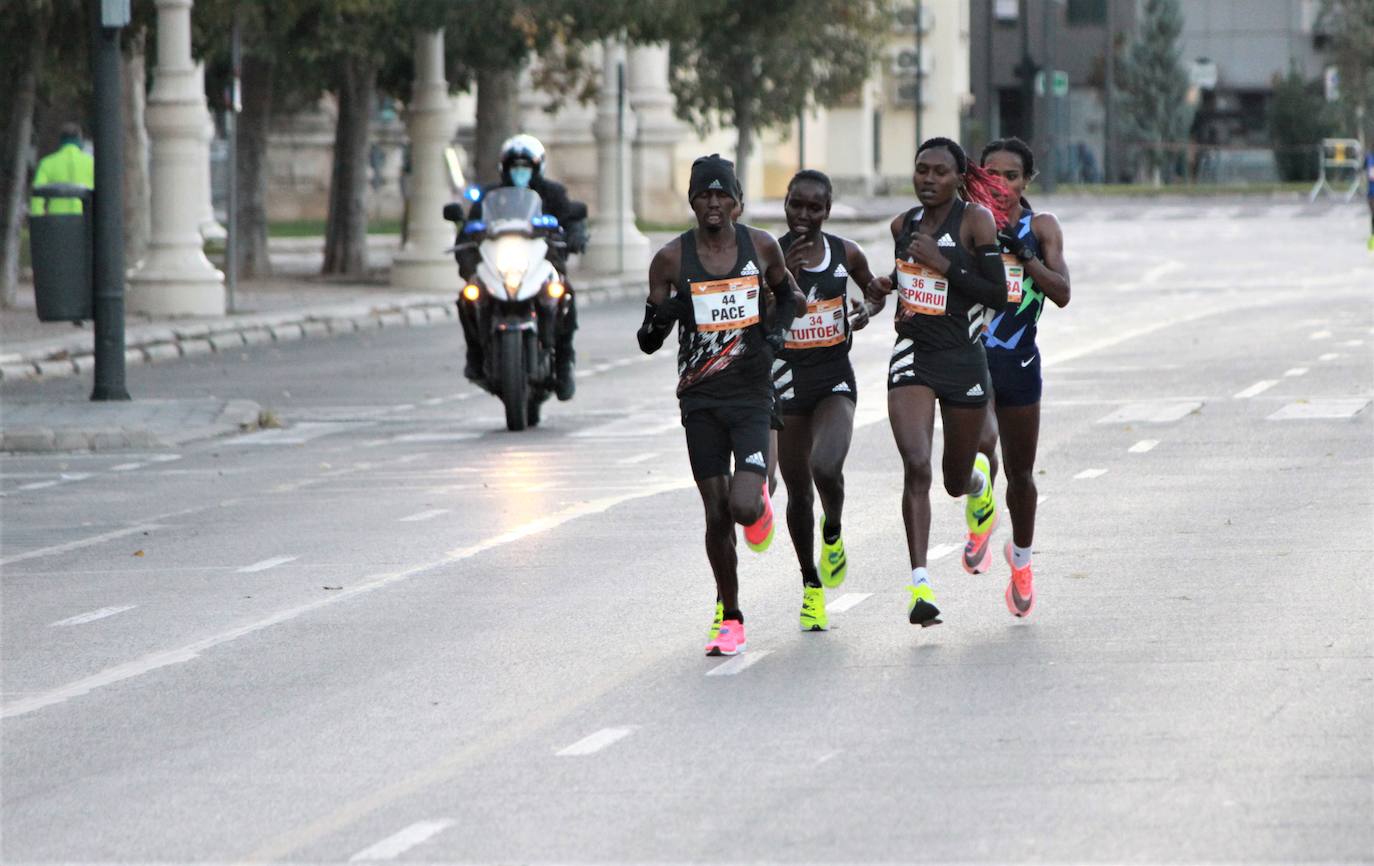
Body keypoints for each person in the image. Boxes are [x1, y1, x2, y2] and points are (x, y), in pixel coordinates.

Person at [638, 154, 799, 657]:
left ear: (737, 200)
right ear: (692, 200)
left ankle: (760, 499)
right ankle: (731, 616)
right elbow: (647, 339)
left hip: (752, 394)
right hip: (700, 399)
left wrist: (773, 336)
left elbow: (790, 297)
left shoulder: (761, 246)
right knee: (715, 514)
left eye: (721, 194)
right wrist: (667, 312)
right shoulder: (670, 259)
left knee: (743, 504)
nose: (713, 203)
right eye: (703, 194)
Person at [865, 137, 1011, 628]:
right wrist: (887, 284)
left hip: (963, 360)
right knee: (916, 465)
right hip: (913, 353)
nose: (928, 179)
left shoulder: (975, 221)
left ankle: (978, 483)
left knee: (952, 480)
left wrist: (944, 263)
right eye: (921, 170)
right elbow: (910, 274)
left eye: (939, 172)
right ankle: (920, 584)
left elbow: (998, 293)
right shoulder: (902, 225)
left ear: (957, 176)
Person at [774, 169, 887, 631]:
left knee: (826, 466)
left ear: (828, 209)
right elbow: (754, 314)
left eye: (813, 207)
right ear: (785, 204)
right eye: (795, 205)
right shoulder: (768, 254)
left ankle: (834, 529)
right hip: (785, 381)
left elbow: (874, 296)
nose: (803, 216)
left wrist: (865, 311)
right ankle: (810, 586)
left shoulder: (846, 253)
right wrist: (784, 281)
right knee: (798, 491)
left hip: (833, 377)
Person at [966, 137, 1071, 619]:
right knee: (978, 448)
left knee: (1021, 474)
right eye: (992, 174)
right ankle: (979, 517)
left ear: (1027, 181)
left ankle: (1021, 561)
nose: (1001, 185)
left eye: (1011, 176)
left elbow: (1063, 292)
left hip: (1020, 363)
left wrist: (1026, 256)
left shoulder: (1041, 226)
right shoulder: (966, 223)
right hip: (971, 358)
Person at [458, 134, 587, 400]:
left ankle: (564, 363)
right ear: (505, 169)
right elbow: (466, 233)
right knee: (467, 298)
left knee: (564, 294)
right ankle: (475, 356)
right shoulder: (489, 196)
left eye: (526, 166)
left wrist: (574, 235)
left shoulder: (553, 193)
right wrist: (466, 255)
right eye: (514, 166)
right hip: (499, 263)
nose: (520, 172)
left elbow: (572, 217)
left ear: (537, 168)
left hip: (542, 261)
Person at [30, 123, 93, 215]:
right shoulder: (91, 163)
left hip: (57, 221)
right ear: (80, 139)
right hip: (86, 220)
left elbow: (37, 196)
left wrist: (39, 217)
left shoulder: (47, 163)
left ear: (61, 140)